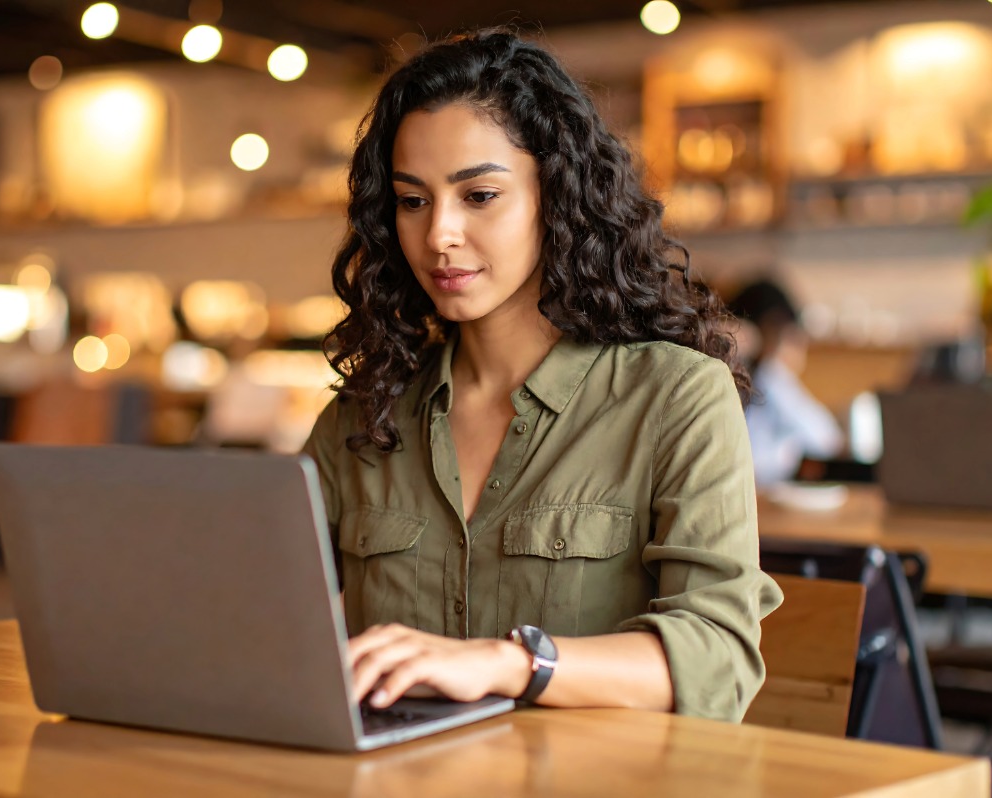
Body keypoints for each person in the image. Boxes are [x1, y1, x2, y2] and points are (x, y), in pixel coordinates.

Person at [302, 29, 782, 723]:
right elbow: (261, 617)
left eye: (479, 196)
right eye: (413, 201)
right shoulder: (363, 416)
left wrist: (509, 663)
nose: (439, 234)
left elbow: (718, 655)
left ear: (555, 196)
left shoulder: (677, 397)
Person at [726, 279, 843, 486]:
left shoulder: (768, 383)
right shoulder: (757, 381)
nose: (800, 344)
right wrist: (772, 367)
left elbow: (827, 439)